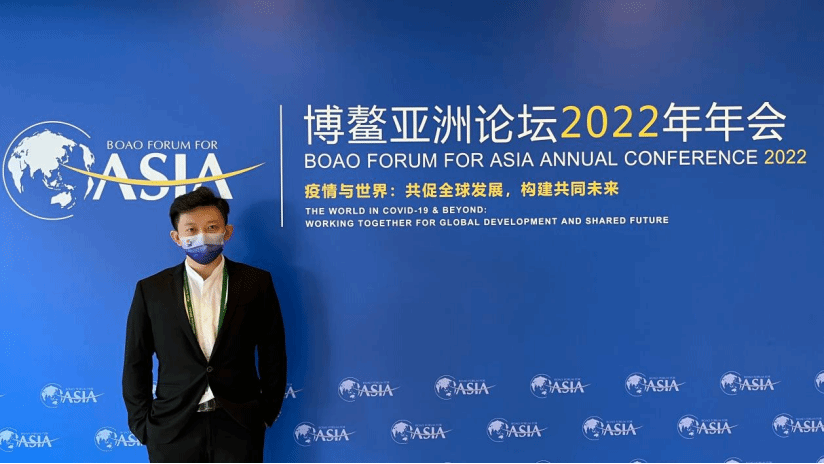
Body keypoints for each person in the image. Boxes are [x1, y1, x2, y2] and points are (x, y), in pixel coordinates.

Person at [122, 186, 287, 463]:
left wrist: (266, 412)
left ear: (227, 231)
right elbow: (135, 361)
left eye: (212, 227)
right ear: (177, 237)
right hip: (172, 426)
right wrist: (142, 425)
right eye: (191, 229)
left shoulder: (256, 283)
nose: (202, 236)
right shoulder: (151, 290)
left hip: (239, 423)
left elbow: (273, 352)